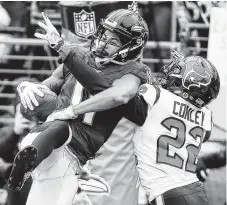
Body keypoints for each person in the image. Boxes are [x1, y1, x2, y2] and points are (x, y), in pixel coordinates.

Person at [7, 9, 150, 205]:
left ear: (131, 48)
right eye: (103, 35)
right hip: (46, 139)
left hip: (75, 155)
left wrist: (73, 110)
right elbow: (48, 85)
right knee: (58, 125)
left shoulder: (132, 72)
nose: (103, 43)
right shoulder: (79, 53)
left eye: (114, 41)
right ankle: (23, 167)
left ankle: (25, 168)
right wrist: (26, 87)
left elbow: (119, 95)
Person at [47, 50, 220, 205]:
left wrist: (71, 59)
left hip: (168, 191)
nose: (171, 72)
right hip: (193, 189)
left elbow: (106, 91)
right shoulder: (206, 118)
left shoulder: (156, 97)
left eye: (178, 70)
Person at [0, 77, 38, 205]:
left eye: (31, 112)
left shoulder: (46, 133)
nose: (26, 117)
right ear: (15, 111)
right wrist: (15, 133)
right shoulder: (6, 133)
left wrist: (35, 130)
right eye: (22, 111)